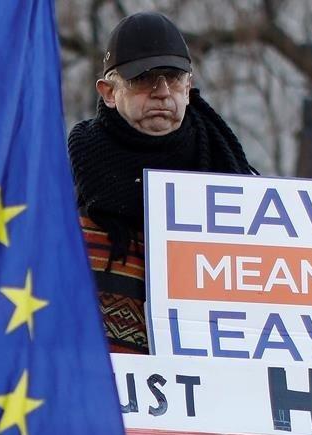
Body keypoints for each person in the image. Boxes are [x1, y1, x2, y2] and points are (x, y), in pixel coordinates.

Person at [68, 11, 256, 353]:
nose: (161, 92)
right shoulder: (66, 182)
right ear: (109, 92)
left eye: (173, 77)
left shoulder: (229, 173)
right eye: (143, 78)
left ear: (189, 86)